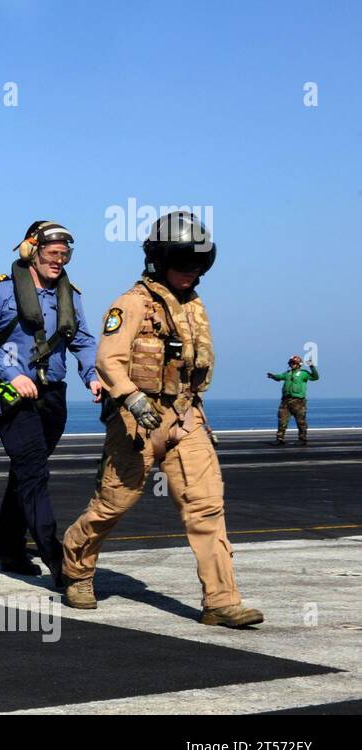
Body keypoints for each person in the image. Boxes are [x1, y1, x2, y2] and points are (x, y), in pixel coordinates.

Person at [61, 211, 263, 628]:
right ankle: (77, 569)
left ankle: (221, 601)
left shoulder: (192, 306)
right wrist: (133, 399)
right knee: (112, 505)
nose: (190, 272)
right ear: (159, 259)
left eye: (196, 264)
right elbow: (107, 360)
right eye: (182, 263)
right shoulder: (132, 304)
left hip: (185, 418)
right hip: (137, 423)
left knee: (206, 508)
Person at [0, 220, 102, 583]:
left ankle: (11, 552)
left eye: (65, 254)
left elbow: (84, 341)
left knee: (24, 475)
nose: (59, 260)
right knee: (34, 474)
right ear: (32, 251)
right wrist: (13, 374)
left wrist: (92, 375)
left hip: (53, 398)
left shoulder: (69, 294)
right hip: (14, 397)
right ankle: (57, 560)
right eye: (53, 253)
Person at [268, 355, 320, 445]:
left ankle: (302, 439)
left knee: (301, 421)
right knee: (282, 421)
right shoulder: (287, 373)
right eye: (291, 363)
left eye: (293, 363)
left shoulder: (304, 373)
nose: (292, 365)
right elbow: (280, 377)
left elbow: (315, 377)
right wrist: (273, 376)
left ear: (299, 364)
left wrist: (312, 366)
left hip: (298, 401)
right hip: (285, 401)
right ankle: (280, 439)